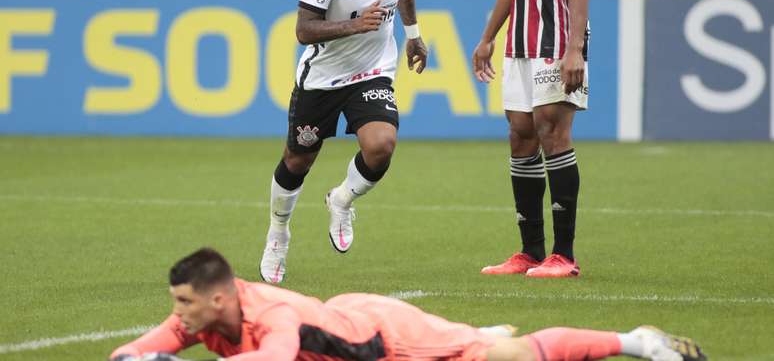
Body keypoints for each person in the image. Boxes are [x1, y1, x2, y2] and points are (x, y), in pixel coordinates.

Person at [109, 248, 706, 361]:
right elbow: (135, 349)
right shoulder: (202, 311)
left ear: (217, 297)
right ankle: (470, 331)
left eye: (184, 303)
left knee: (511, 358)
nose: (177, 314)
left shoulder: (271, 317)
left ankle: (637, 341)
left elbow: (280, 353)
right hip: (348, 318)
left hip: (387, 339)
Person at [259, 0, 428, 284]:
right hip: (322, 79)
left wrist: (413, 34)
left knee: (381, 146)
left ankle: (342, 199)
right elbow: (303, 30)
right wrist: (355, 24)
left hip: (372, 71)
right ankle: (278, 232)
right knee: (298, 160)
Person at [472, 0, 591, 278]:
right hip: (520, 39)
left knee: (551, 131)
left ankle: (564, 254)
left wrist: (575, 47)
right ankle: (530, 252)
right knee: (520, 134)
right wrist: (488, 36)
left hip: (556, 37)